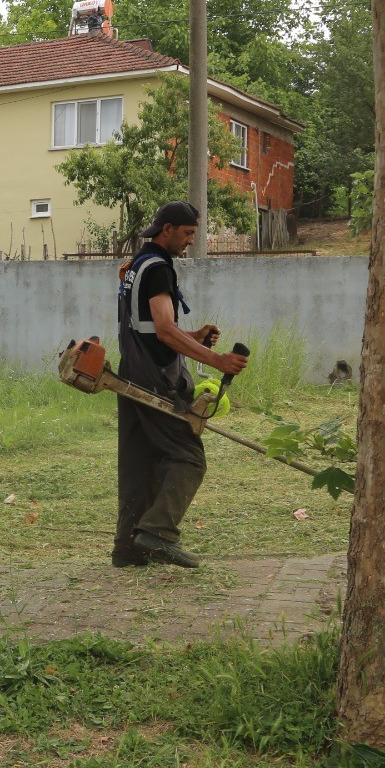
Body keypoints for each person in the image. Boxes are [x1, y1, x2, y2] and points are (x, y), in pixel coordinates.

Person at [113, 201, 249, 568]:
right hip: (156, 378)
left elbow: (150, 328)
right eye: (188, 233)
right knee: (188, 456)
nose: (190, 241)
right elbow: (164, 330)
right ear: (167, 228)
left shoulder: (136, 265)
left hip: (132, 370)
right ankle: (157, 533)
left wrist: (195, 336)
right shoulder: (159, 268)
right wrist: (217, 361)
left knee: (139, 461)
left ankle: (128, 547)